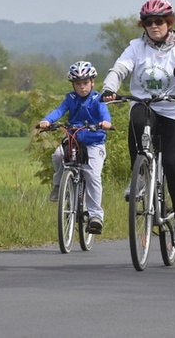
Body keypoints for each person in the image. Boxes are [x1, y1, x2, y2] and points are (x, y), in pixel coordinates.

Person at [102, 0, 175, 249]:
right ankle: (138, 176)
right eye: (148, 22)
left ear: (168, 23)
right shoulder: (136, 47)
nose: (154, 26)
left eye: (159, 21)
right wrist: (108, 88)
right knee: (137, 116)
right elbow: (120, 69)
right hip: (147, 104)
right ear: (143, 25)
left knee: (171, 160)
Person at [37, 61, 111, 234]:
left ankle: (95, 215)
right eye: (78, 84)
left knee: (92, 174)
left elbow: (104, 114)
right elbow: (59, 111)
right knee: (57, 155)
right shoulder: (70, 99)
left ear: (92, 82)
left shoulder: (98, 99)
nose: (82, 87)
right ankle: (58, 186)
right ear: (73, 85)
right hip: (73, 139)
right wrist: (48, 120)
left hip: (94, 142)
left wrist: (106, 123)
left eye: (85, 83)